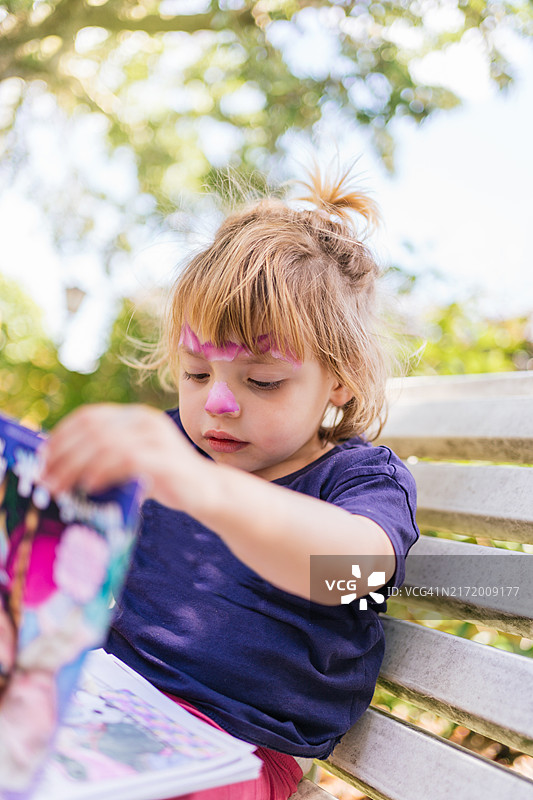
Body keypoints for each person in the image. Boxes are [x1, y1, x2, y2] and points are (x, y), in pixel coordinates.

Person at [40, 167, 420, 800]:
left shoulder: (356, 479)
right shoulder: (177, 449)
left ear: (340, 379)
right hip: (102, 700)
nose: (217, 402)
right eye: (196, 374)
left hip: (234, 752)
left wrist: (202, 488)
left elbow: (354, 573)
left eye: (261, 381)